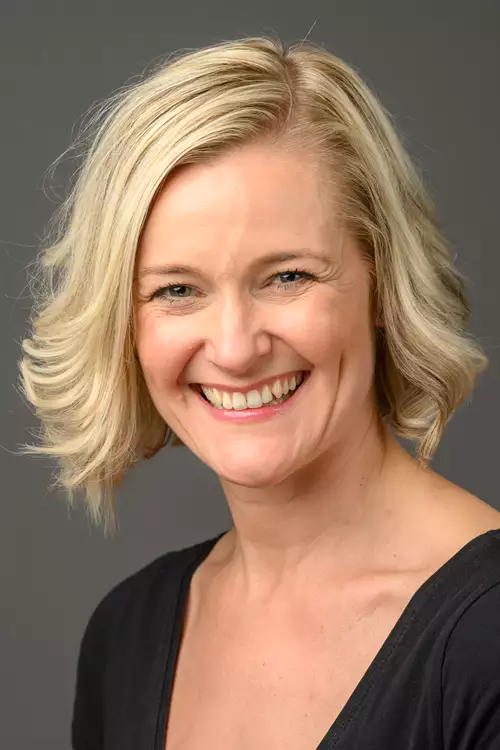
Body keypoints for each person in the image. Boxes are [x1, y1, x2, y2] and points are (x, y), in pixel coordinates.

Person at [19, 35, 500, 750]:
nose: (236, 348)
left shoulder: (487, 638)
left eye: (287, 277)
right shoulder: (125, 636)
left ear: (381, 284)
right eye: (177, 290)